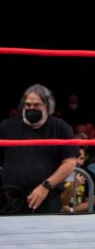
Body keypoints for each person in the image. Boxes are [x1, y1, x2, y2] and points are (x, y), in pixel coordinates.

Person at [0, 84, 78, 215]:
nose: (31, 108)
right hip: (11, 200)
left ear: (47, 106)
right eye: (28, 104)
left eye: (36, 105)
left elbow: (70, 162)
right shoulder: (7, 126)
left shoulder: (60, 127)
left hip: (47, 200)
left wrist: (45, 186)